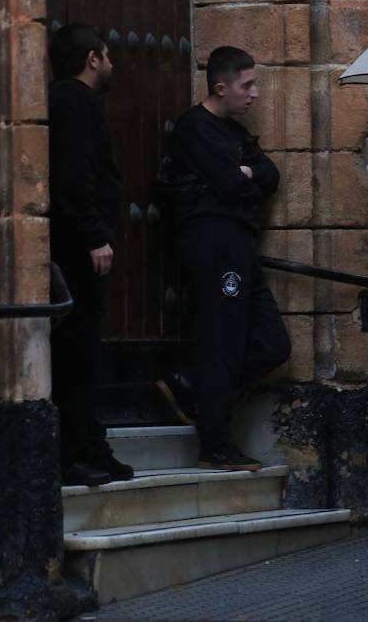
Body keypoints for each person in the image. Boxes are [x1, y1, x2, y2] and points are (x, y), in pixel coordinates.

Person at [156, 47, 291, 471]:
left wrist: (244, 174)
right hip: (213, 241)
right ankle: (215, 444)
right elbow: (236, 187)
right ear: (221, 87)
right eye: (246, 85)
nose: (254, 94)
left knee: (272, 342)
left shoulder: (233, 132)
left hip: (241, 244)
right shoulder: (196, 128)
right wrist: (242, 176)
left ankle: (189, 383)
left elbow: (268, 176)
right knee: (222, 341)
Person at [48, 23, 132, 486]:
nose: (112, 62)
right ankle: (76, 450)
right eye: (107, 54)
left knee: (79, 350)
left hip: (75, 245)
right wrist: (94, 235)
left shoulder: (68, 101)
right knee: (77, 351)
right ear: (92, 58)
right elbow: (74, 177)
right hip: (79, 251)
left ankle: (88, 445)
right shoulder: (76, 102)